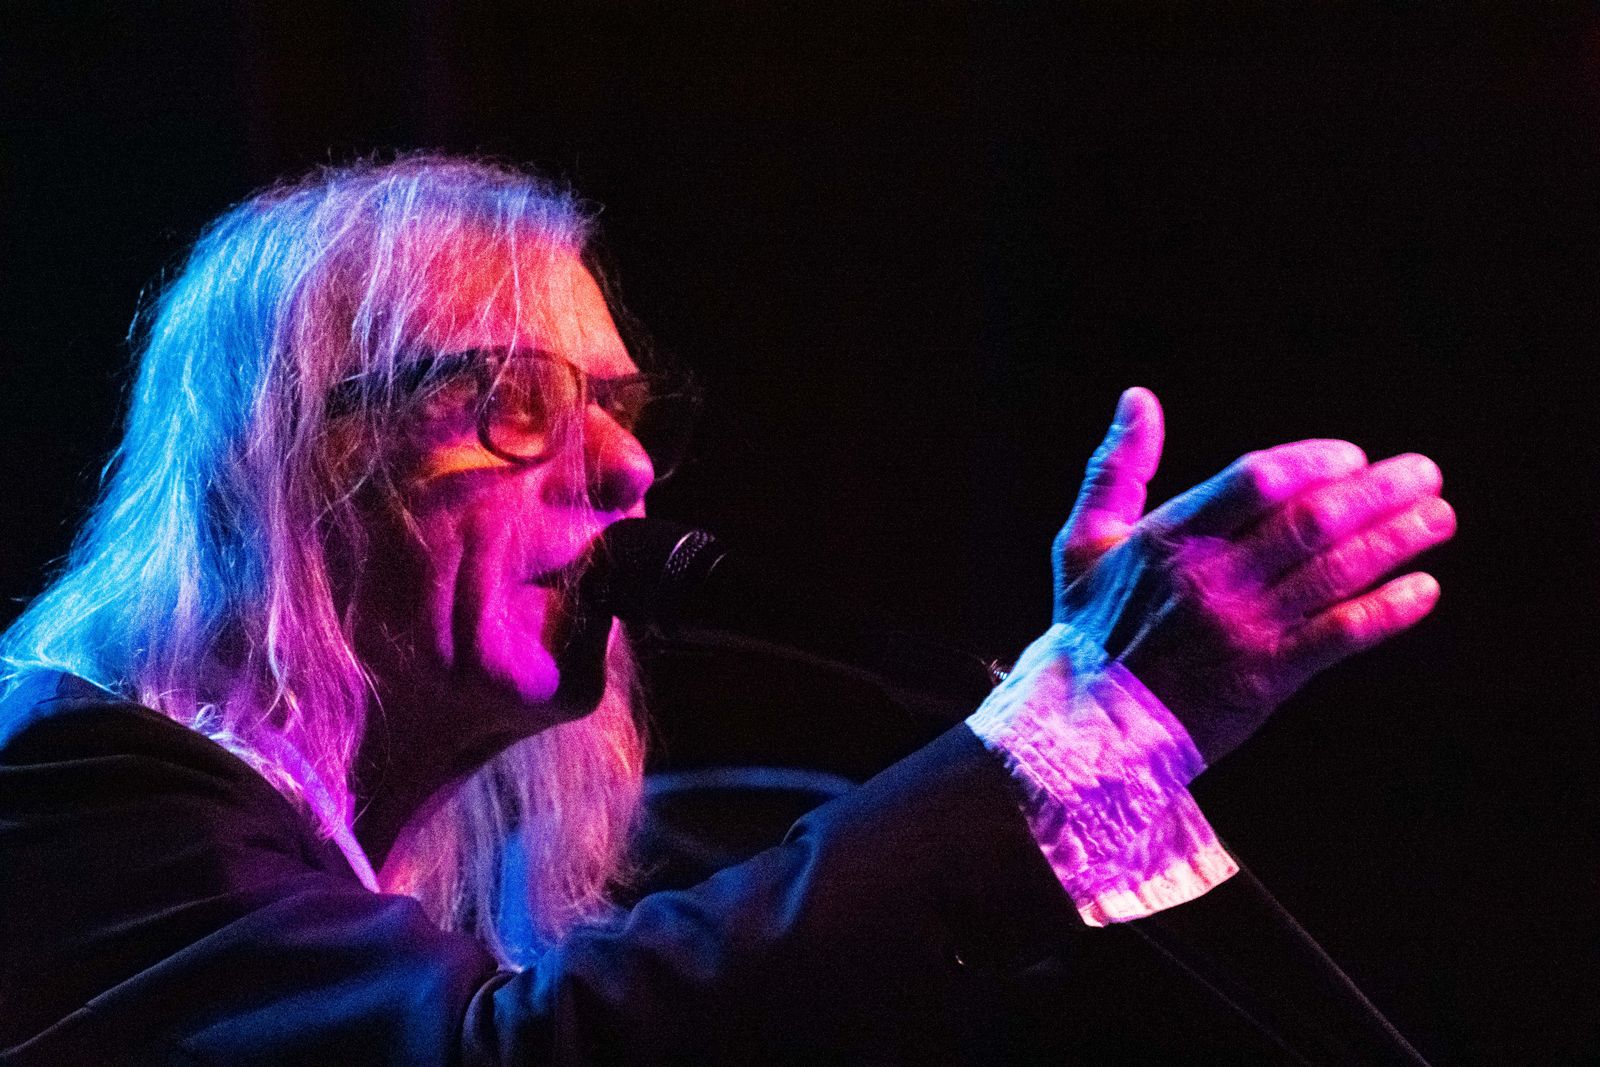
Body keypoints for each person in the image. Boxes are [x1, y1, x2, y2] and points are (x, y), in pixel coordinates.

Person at [0, 156, 1454, 1064]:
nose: (630, 469)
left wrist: (1095, 741)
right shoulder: (72, 797)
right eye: (515, 403)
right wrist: (1078, 728)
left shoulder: (413, 887)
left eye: (623, 410)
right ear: (293, 463)